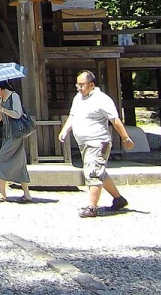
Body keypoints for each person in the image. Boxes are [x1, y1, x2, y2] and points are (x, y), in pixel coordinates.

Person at [58, 70, 134, 218]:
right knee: (100, 172)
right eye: (77, 85)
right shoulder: (78, 98)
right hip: (84, 142)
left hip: (98, 141)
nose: (79, 88)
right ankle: (119, 199)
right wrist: (65, 130)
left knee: (93, 173)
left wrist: (125, 138)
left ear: (91, 85)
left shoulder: (102, 99)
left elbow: (115, 119)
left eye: (82, 85)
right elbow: (73, 115)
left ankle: (92, 207)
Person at [0, 80, 33, 204]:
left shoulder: (14, 96)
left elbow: (17, 114)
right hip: (8, 134)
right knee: (19, 163)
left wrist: (2, 109)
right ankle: (27, 194)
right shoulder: (1, 100)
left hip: (15, 134)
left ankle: (2, 193)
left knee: (0, 160)